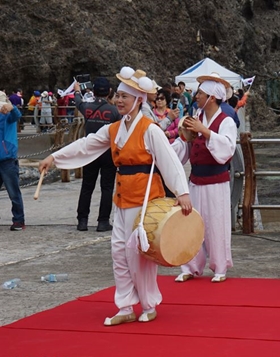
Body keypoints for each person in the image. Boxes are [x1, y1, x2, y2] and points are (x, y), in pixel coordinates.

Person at [38, 66, 193, 326]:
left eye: (125, 97)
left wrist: (182, 192)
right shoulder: (115, 129)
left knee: (139, 254)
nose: (119, 101)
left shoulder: (150, 129)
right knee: (119, 252)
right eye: (118, 96)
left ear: (138, 100)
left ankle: (148, 304)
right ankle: (125, 306)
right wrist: (55, 157)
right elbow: (87, 144)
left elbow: (169, 161)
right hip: (122, 199)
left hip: (145, 198)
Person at [172, 73, 238, 283]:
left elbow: (227, 149)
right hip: (196, 180)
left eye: (200, 93)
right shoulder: (195, 118)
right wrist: (166, 153)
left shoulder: (226, 121)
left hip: (216, 181)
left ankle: (219, 267)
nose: (197, 96)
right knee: (191, 223)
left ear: (212, 97)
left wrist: (206, 132)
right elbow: (184, 144)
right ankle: (191, 266)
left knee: (216, 224)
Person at [73, 77, 121, 232]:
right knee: (107, 188)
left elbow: (78, 101)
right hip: (108, 152)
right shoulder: (114, 111)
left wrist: (77, 91)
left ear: (93, 91)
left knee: (87, 186)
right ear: (109, 92)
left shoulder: (87, 107)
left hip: (90, 152)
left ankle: (82, 220)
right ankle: (103, 221)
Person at [0, 92, 25, 231]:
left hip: (8, 159)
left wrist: (12, 107)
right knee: (13, 191)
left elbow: (17, 115)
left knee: (13, 192)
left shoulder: (9, 115)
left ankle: (19, 220)